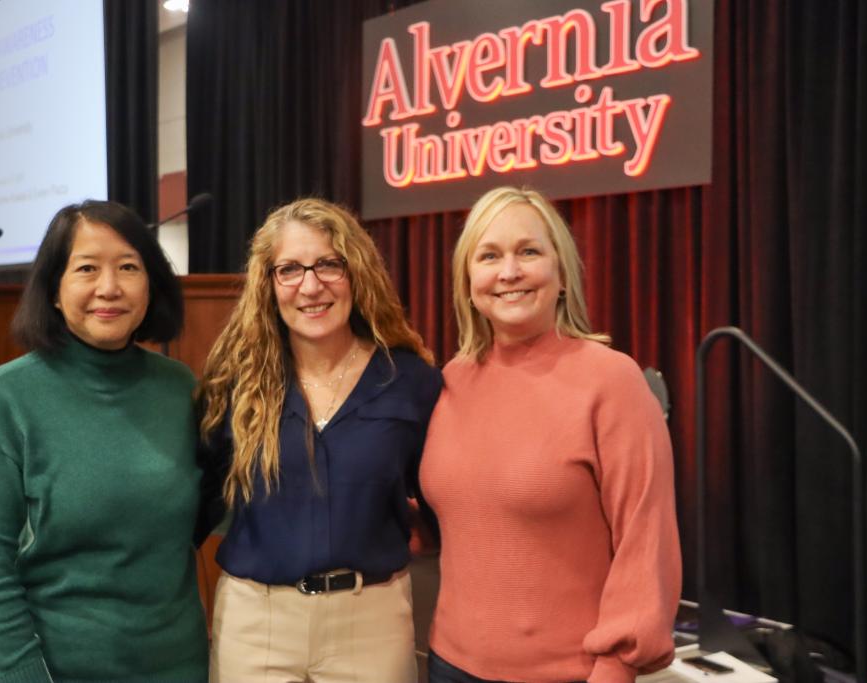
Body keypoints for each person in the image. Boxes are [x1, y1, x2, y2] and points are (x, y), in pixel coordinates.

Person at [420, 187, 681, 683]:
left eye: (529, 251)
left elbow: (646, 540)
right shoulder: (452, 379)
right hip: (448, 665)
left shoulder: (612, 380)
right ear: (468, 280)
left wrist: (617, 667)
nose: (509, 272)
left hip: (570, 675)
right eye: (489, 255)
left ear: (561, 275)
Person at [0, 200, 212, 683]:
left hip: (178, 666)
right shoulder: (4, 399)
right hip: (56, 670)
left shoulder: (181, 389)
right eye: (87, 268)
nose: (109, 288)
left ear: (151, 284)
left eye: (129, 268)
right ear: (53, 289)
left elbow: (199, 522)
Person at [198, 197, 441, 683]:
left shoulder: (410, 381)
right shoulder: (236, 383)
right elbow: (195, 499)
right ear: (268, 285)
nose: (310, 286)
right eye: (289, 269)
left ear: (358, 273)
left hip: (370, 622)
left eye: (329, 264)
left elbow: (444, 500)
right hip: (256, 624)